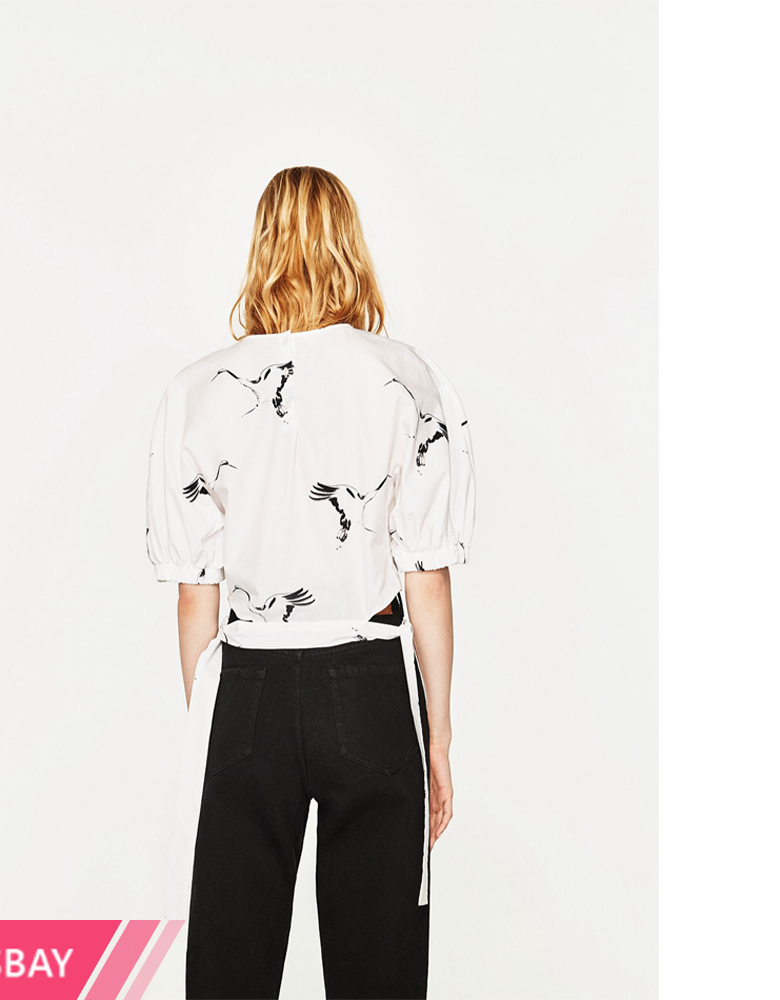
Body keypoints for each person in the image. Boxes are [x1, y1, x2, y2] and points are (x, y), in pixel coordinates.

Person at [145, 166, 476, 1000]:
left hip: (246, 685)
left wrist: (214, 728)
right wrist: (437, 738)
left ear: (261, 247)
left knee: (228, 968)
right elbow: (426, 575)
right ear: (350, 245)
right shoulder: (405, 376)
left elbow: (194, 591)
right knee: (380, 971)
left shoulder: (196, 391)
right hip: (368, 686)